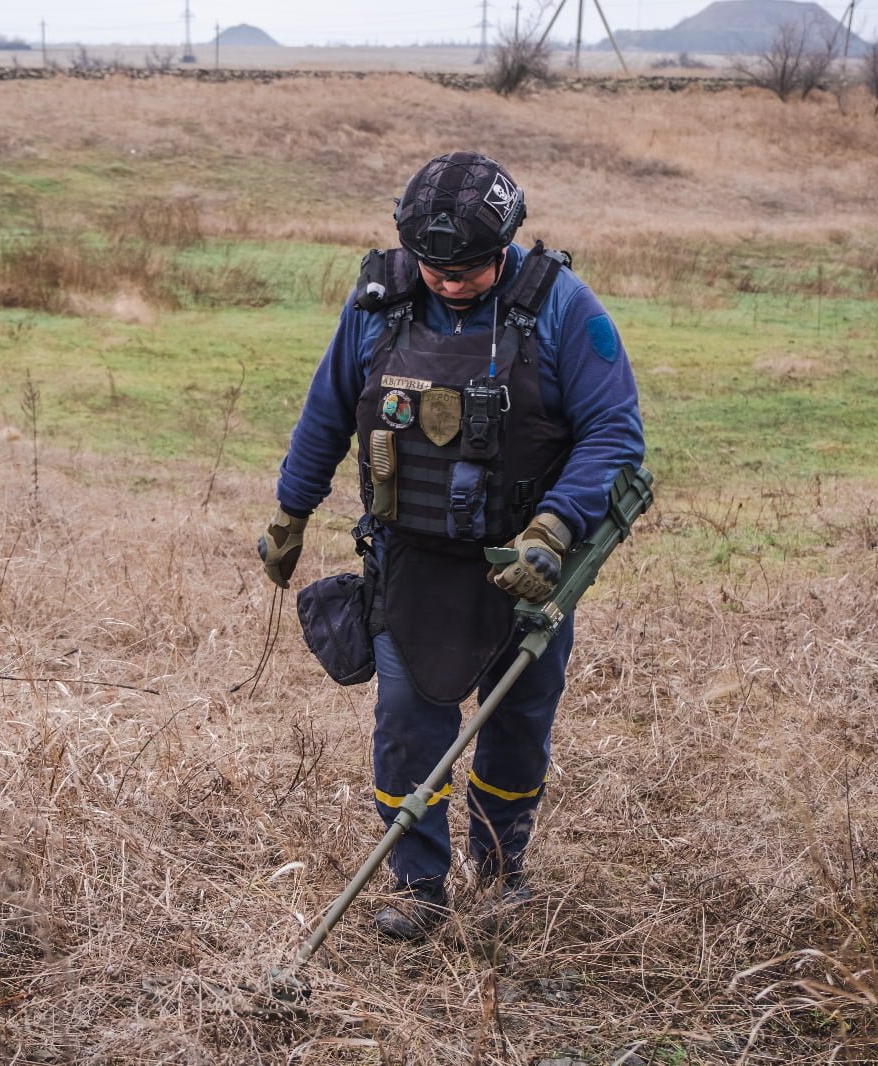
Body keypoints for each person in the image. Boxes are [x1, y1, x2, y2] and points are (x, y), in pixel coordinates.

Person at [259, 151, 645, 940]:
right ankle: (417, 885)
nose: (447, 280)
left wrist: (556, 527)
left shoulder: (563, 307)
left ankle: (503, 873)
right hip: (412, 561)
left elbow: (615, 432)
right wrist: (291, 514)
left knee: (516, 724)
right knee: (408, 720)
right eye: (434, 266)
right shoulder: (377, 305)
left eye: (467, 268)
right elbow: (327, 411)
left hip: (526, 571)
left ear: (505, 245)